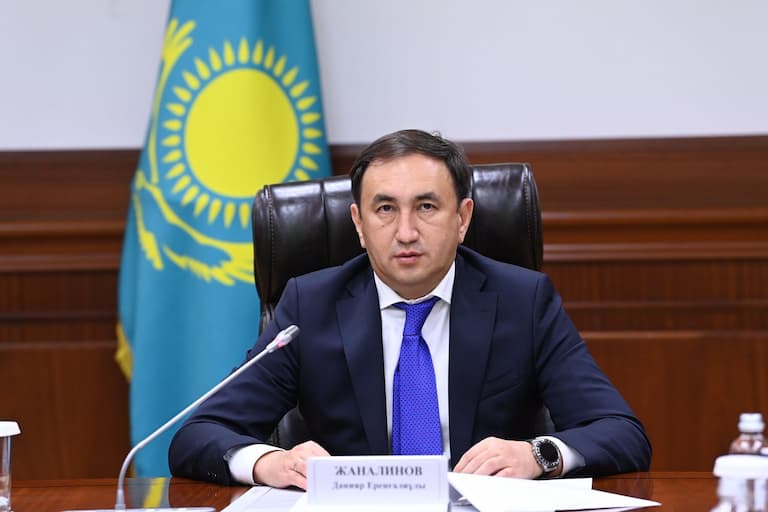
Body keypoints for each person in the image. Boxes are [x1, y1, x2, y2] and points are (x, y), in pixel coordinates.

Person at [168, 129, 651, 489]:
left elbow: (622, 433)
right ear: (358, 224)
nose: (405, 232)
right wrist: (267, 462)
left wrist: (538, 454)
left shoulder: (523, 301)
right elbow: (199, 435)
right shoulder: (310, 306)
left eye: (426, 207)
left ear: (462, 218)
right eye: (385, 209)